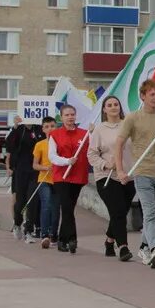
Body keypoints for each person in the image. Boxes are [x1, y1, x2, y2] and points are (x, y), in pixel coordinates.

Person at [117, 79, 155, 269]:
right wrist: (121, 170)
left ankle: (144, 247)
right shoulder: (132, 118)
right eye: (151, 94)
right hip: (142, 171)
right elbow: (119, 144)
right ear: (143, 96)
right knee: (150, 212)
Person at [88, 96, 137, 262]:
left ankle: (109, 240)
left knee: (121, 212)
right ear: (104, 109)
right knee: (117, 210)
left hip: (128, 175)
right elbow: (91, 154)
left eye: (116, 104)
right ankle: (123, 247)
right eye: (109, 105)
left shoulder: (128, 125)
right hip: (107, 177)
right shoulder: (100, 130)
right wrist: (105, 164)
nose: (113, 107)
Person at [48, 104, 90, 254]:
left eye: (72, 114)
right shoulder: (55, 135)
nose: (70, 117)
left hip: (78, 176)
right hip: (62, 176)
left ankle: (64, 239)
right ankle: (70, 239)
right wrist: (66, 161)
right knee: (66, 207)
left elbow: (91, 152)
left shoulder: (85, 134)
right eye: (67, 115)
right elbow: (52, 156)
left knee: (69, 208)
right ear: (61, 117)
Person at [5, 115, 43, 242]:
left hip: (35, 171)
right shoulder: (19, 130)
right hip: (20, 171)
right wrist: (15, 127)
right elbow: (9, 145)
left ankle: (29, 231)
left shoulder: (39, 129)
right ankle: (17, 224)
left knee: (32, 200)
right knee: (20, 201)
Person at [32, 116, 59, 248]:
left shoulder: (61, 143)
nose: (50, 129)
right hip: (44, 179)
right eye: (47, 127)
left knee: (56, 210)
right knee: (46, 205)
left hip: (58, 180)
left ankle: (54, 234)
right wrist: (46, 167)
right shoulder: (40, 144)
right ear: (43, 129)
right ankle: (44, 235)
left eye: (52, 126)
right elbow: (35, 165)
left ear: (56, 127)